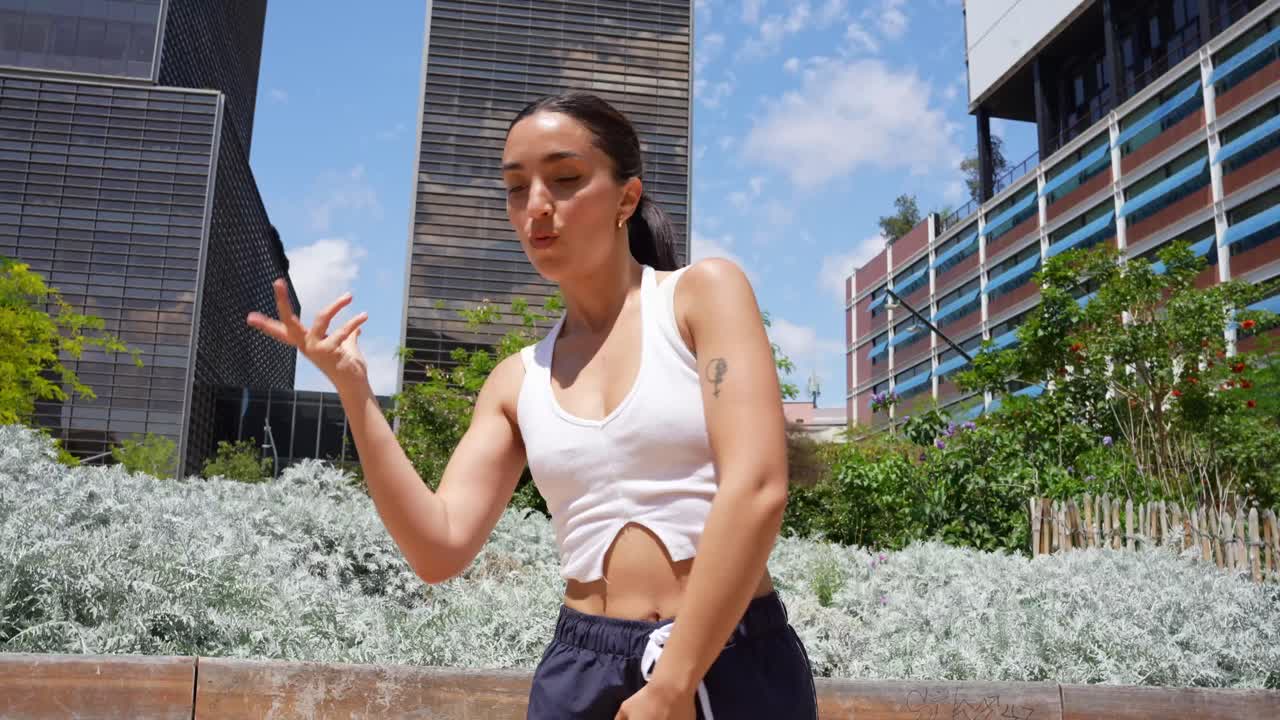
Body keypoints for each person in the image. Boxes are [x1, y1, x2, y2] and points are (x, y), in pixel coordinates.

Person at [247, 91, 818, 720]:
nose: (536, 207)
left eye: (566, 179)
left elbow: (759, 485)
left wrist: (673, 682)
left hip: (726, 658)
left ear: (626, 198)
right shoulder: (516, 381)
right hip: (583, 669)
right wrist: (355, 393)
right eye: (516, 189)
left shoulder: (700, 296)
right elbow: (438, 549)